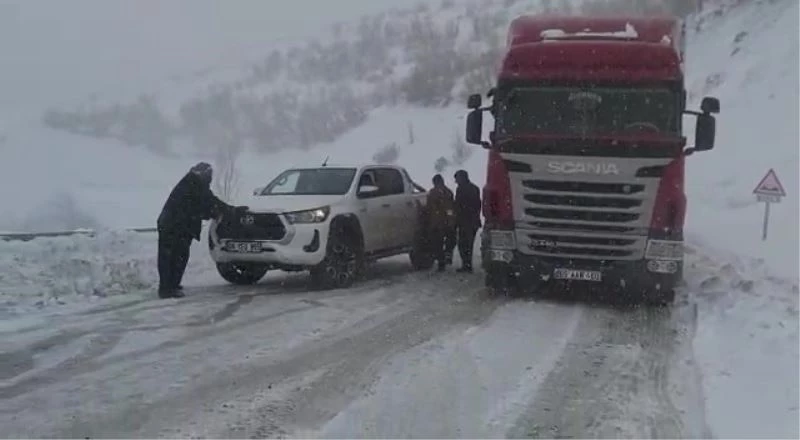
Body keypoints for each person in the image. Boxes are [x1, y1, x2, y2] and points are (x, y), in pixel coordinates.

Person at [156, 162, 248, 298]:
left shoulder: (190, 183)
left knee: (169, 256)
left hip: (170, 224)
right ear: (205, 175)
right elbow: (208, 204)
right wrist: (230, 211)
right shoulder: (195, 186)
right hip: (176, 226)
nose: (210, 179)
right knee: (176, 256)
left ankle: (168, 285)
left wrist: (226, 210)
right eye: (209, 176)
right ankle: (168, 288)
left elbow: (209, 202)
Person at [425, 174, 456, 272]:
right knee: (448, 242)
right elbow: (450, 208)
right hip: (444, 222)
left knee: (438, 244)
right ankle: (446, 257)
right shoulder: (448, 192)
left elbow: (430, 208)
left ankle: (442, 261)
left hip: (437, 223)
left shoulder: (433, 193)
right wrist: (451, 220)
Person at [454, 169, 482, 273]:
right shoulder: (474, 188)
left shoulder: (461, 189)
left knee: (463, 244)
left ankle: (466, 265)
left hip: (465, 221)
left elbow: (458, 205)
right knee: (467, 244)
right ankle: (467, 264)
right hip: (471, 221)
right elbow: (478, 205)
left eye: (457, 179)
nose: (456, 181)